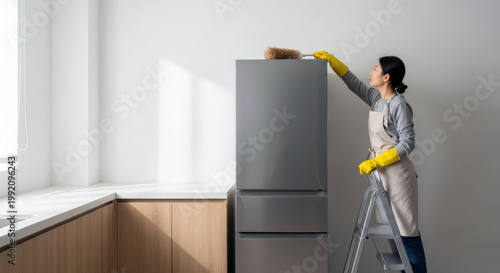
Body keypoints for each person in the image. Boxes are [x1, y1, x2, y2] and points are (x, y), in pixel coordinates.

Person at [313, 51, 427, 272]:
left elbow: (408, 142)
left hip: (399, 177)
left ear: (386, 77)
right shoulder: (376, 99)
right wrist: (332, 62)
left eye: (375, 68)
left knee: (407, 233)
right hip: (382, 176)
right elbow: (353, 83)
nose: (371, 72)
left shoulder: (399, 105)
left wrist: (377, 161)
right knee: (393, 233)